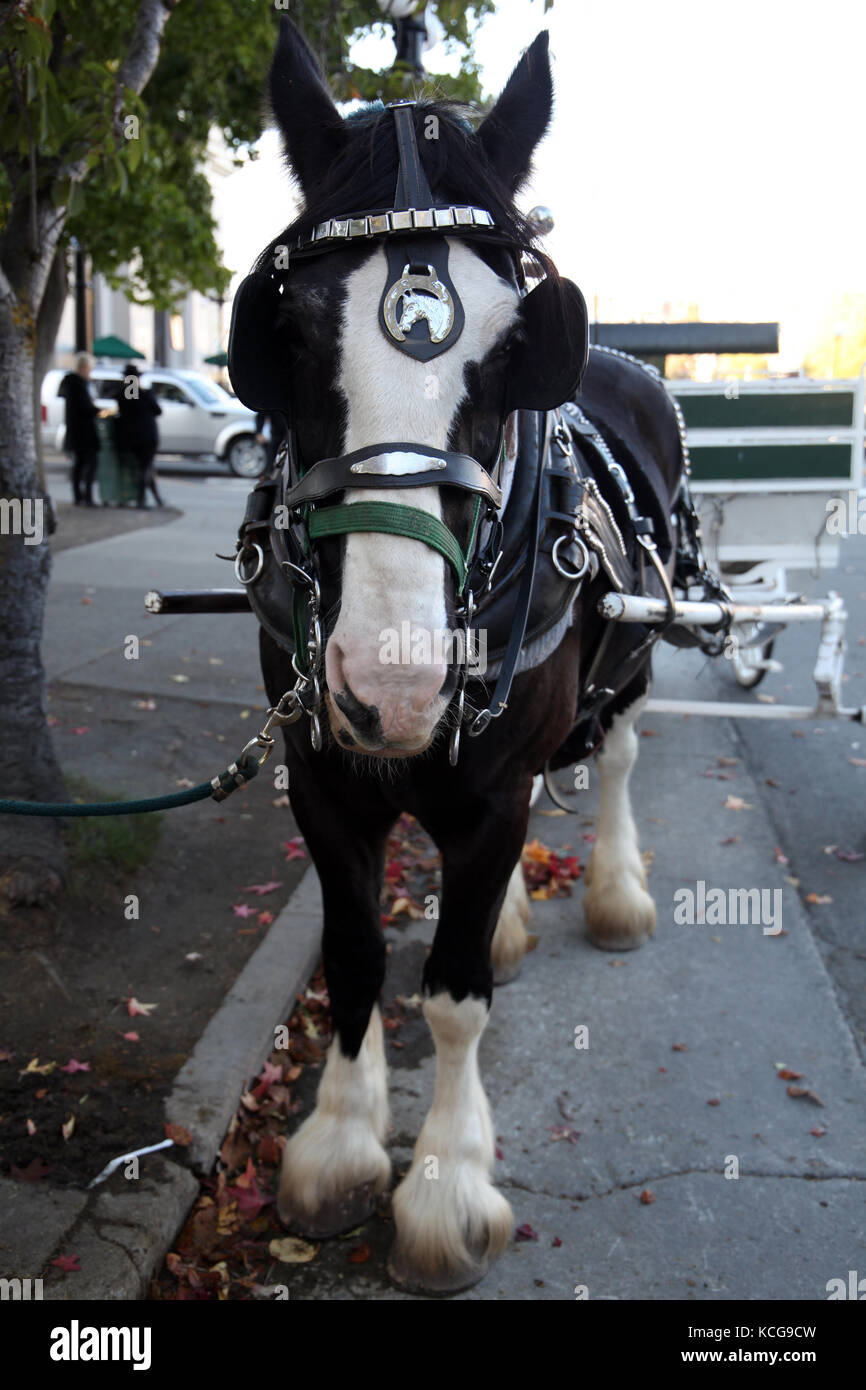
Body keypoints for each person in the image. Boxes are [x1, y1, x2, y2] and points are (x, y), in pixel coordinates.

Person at [112, 363, 163, 508]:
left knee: (144, 468)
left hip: (129, 438)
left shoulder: (122, 396)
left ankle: (154, 498)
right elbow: (157, 411)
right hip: (147, 438)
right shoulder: (145, 394)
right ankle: (142, 499)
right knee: (145, 468)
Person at [59, 354, 99, 506]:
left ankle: (79, 496)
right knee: (88, 463)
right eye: (89, 369)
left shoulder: (73, 384)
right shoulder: (78, 385)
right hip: (83, 431)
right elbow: (85, 408)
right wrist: (98, 410)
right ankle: (85, 497)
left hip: (77, 430)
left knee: (80, 464)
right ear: (84, 368)